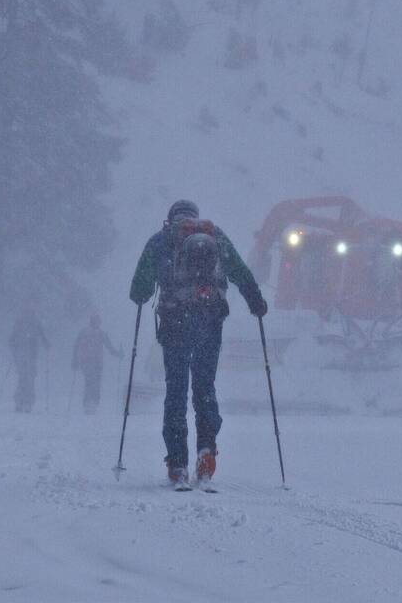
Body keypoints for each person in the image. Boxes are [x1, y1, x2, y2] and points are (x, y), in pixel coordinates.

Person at [129, 200, 268, 488]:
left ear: (171, 219)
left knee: (176, 391)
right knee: (205, 388)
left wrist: (147, 290)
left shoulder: (161, 241)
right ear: (195, 218)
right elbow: (240, 271)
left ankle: (177, 465)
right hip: (209, 320)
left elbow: (138, 291)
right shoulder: (215, 237)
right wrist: (256, 301)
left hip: (174, 323)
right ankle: (206, 456)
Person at [71, 313, 123, 414]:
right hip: (92, 362)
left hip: (90, 362)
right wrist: (118, 354)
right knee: (93, 382)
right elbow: (110, 348)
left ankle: (90, 403)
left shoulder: (87, 332)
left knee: (91, 382)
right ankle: (92, 403)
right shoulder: (99, 333)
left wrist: (75, 360)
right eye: (97, 321)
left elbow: (76, 346)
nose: (97, 323)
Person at [8, 306, 50, 413]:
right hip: (27, 354)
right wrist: (46, 344)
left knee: (25, 378)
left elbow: (13, 337)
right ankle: (25, 402)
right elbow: (42, 335)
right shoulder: (32, 322)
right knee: (27, 378)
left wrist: (13, 345)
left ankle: (22, 402)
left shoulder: (24, 322)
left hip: (25, 354)